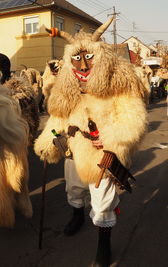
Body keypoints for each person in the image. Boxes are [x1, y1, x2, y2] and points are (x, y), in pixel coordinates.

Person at [34, 16, 147, 267]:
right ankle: (77, 215)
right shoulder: (67, 86)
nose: (83, 66)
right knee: (73, 189)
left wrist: (114, 147)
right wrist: (48, 141)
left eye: (89, 58)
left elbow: (131, 118)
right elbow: (58, 116)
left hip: (102, 152)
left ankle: (103, 244)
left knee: (103, 201)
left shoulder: (119, 82)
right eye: (76, 59)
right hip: (74, 148)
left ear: (101, 59)